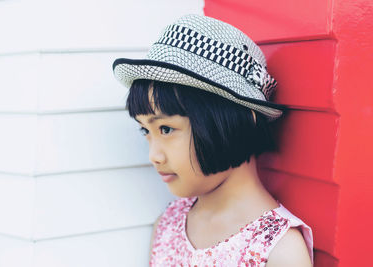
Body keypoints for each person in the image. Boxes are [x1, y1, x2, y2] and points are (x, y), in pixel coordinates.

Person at [112, 14, 313, 267]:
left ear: (239, 121)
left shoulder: (278, 251)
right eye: (146, 131)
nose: (154, 155)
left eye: (166, 129)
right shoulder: (169, 223)